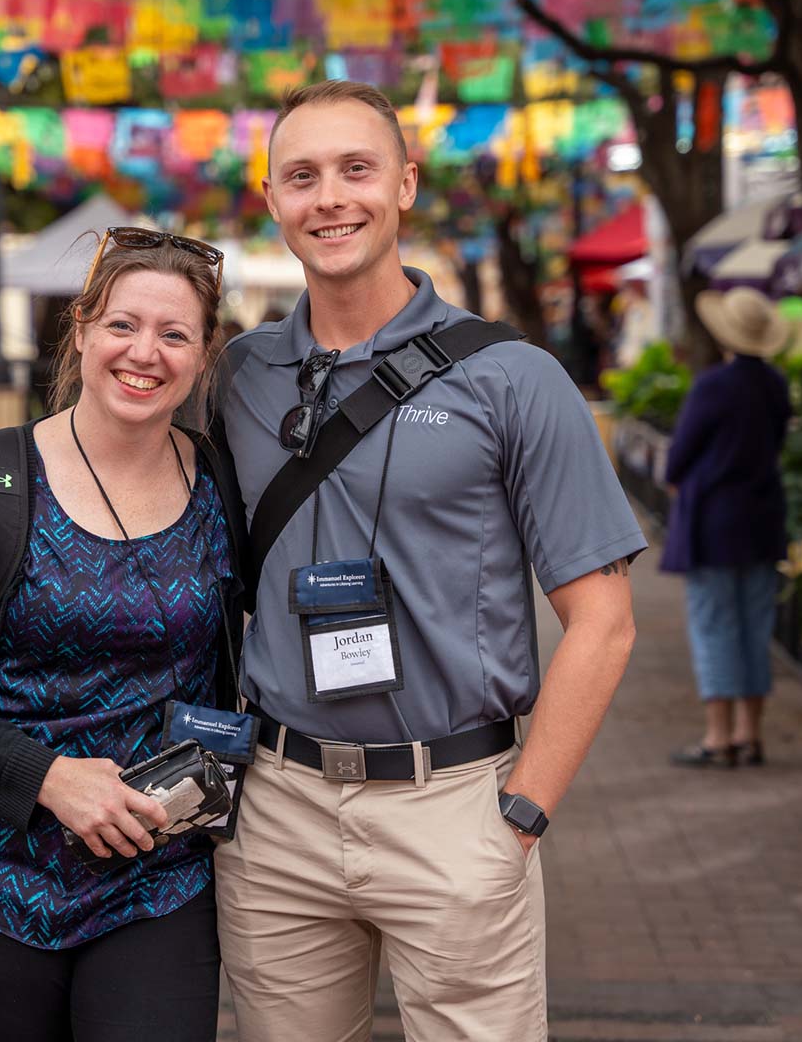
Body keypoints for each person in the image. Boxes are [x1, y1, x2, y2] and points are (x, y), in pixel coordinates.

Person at [214, 80, 646, 1042]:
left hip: (454, 805)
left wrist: (521, 816)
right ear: (275, 201)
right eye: (302, 176)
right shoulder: (237, 376)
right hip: (276, 807)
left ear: (405, 184)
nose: (330, 197)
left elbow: (605, 622)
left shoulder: (514, 378)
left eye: (356, 169)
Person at [0, 230, 247, 1042]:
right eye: (122, 325)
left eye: (174, 334)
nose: (144, 353)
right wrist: (49, 778)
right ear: (81, 330)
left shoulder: (218, 483)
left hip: (162, 876)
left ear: (203, 356)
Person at [661, 286, 791, 769]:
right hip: (762, 521)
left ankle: (718, 737)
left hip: (712, 524)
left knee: (714, 626)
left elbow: (678, 459)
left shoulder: (713, 386)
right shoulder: (774, 385)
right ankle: (750, 733)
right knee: (756, 628)